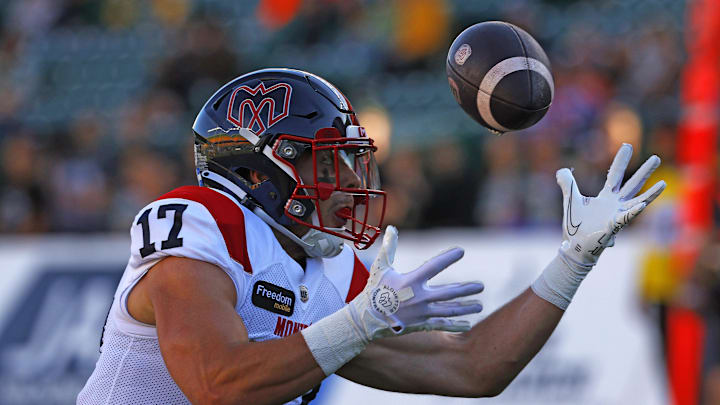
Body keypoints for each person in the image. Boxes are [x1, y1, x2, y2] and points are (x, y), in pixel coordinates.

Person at [77, 68, 666, 405]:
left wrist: (572, 260)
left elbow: (474, 369)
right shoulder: (202, 223)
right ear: (263, 168)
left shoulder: (332, 269)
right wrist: (358, 324)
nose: (352, 182)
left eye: (354, 161)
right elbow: (218, 384)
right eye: (329, 163)